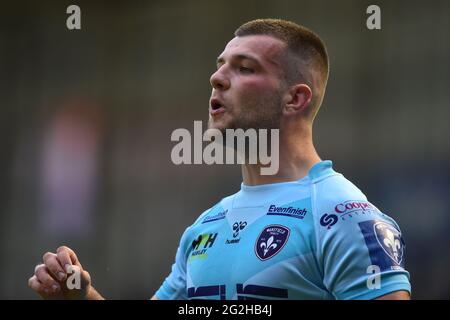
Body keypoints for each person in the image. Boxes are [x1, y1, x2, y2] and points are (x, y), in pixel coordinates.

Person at [28, 19, 411, 300]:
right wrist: (80, 294)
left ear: (295, 98)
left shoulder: (343, 215)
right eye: (221, 65)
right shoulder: (205, 227)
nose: (217, 78)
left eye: (244, 68)